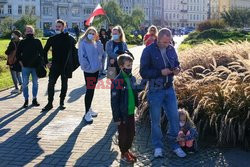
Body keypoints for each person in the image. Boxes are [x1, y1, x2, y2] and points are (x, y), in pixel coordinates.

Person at [140, 28, 186, 158]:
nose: (167, 45)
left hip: (169, 88)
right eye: (164, 42)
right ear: (158, 39)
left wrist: (177, 69)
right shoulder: (148, 50)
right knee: (155, 121)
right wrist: (160, 72)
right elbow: (143, 72)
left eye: (169, 42)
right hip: (155, 90)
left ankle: (175, 145)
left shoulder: (171, 49)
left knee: (174, 118)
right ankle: (158, 147)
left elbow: (176, 63)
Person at [42, 19, 78, 111]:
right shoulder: (52, 39)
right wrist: (46, 62)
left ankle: (61, 102)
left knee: (64, 85)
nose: (57, 28)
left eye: (59, 26)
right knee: (51, 84)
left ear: (64, 27)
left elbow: (76, 47)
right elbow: (44, 51)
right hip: (54, 65)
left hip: (65, 66)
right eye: (56, 26)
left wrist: (73, 64)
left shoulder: (69, 38)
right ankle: (50, 103)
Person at [111, 54, 138, 164]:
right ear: (122, 67)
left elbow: (135, 93)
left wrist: (138, 104)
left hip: (131, 112)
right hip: (122, 114)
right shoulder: (117, 81)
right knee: (123, 134)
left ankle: (127, 150)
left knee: (132, 133)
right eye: (128, 65)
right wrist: (116, 117)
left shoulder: (132, 78)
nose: (130, 67)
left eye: (131, 64)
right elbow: (114, 102)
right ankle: (123, 153)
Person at [78, 26, 104, 123]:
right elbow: (81, 57)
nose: (91, 35)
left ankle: (89, 109)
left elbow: (101, 53)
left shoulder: (95, 43)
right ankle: (86, 113)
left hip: (96, 70)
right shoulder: (83, 42)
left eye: (93, 33)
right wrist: (88, 67)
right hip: (89, 71)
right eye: (90, 33)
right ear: (86, 33)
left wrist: (98, 42)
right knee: (89, 90)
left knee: (92, 90)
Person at [16, 25, 44, 108]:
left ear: (33, 32)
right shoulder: (22, 42)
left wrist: (42, 63)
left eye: (31, 30)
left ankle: (34, 99)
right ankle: (26, 100)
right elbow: (18, 54)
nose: (29, 32)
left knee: (35, 83)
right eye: (28, 31)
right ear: (25, 32)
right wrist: (21, 63)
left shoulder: (37, 41)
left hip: (36, 67)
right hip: (25, 67)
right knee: (25, 84)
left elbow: (42, 53)